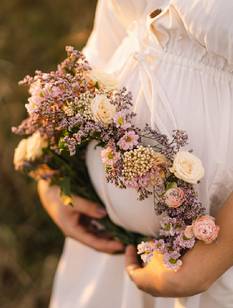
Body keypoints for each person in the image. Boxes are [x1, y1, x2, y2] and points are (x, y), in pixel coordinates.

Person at [38, 0, 233, 307]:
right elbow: (107, 38)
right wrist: (53, 168)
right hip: (110, 250)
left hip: (213, 262)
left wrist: (213, 259)